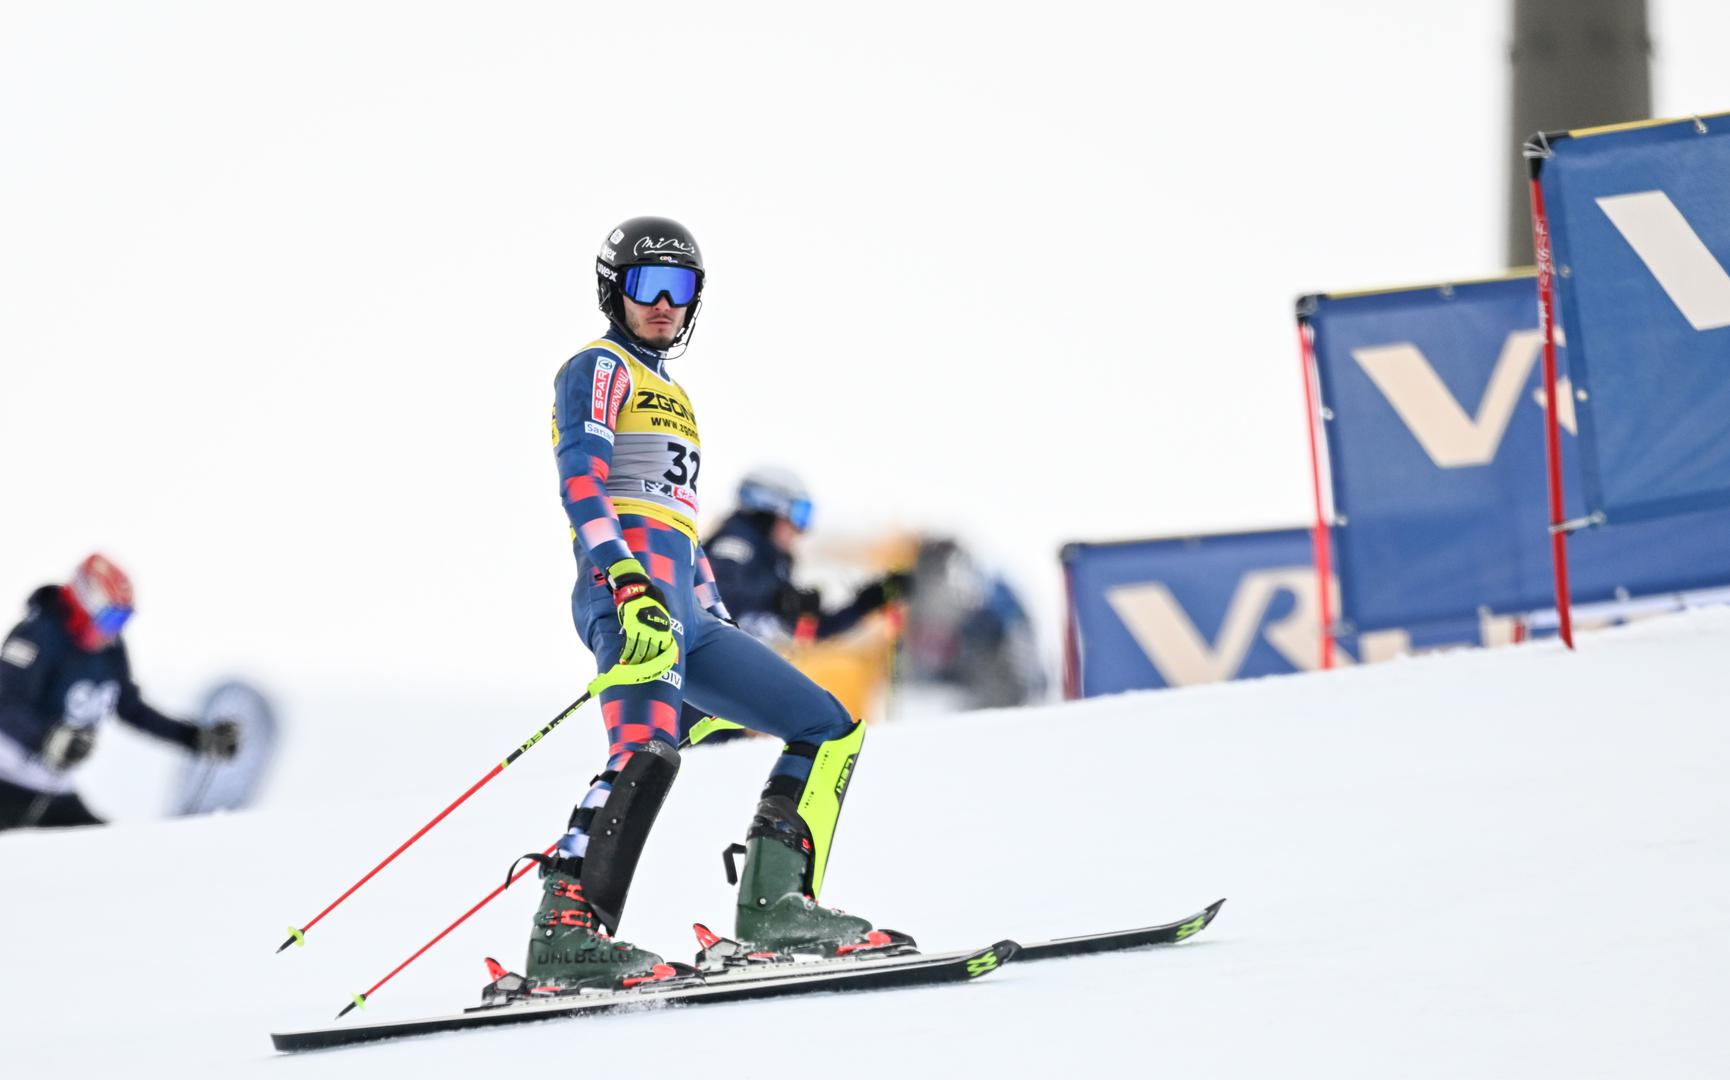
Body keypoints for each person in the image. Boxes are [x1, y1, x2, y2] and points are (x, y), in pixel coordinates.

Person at [528, 216, 876, 991]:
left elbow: (683, 529)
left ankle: (777, 908)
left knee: (827, 727)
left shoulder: (676, 395)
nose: (663, 303)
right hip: (628, 599)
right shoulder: (599, 366)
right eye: (646, 284)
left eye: (679, 287)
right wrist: (625, 581)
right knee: (643, 752)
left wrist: (711, 615)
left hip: (689, 616)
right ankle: (565, 936)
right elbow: (581, 483)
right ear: (613, 291)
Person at [0, 554, 240, 831]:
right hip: (7, 781)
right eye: (110, 617)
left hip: (51, 786)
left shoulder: (111, 650)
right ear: (83, 603)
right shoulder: (38, 635)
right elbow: (5, 703)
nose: (112, 631)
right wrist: (47, 738)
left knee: (112, 849)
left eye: (122, 619)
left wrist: (194, 737)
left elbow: (130, 708)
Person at [704, 467, 910, 646]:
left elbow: (809, 630)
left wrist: (865, 604)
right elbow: (717, 598)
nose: (800, 530)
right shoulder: (735, 543)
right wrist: (779, 599)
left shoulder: (773, 564)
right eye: (799, 514)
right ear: (770, 510)